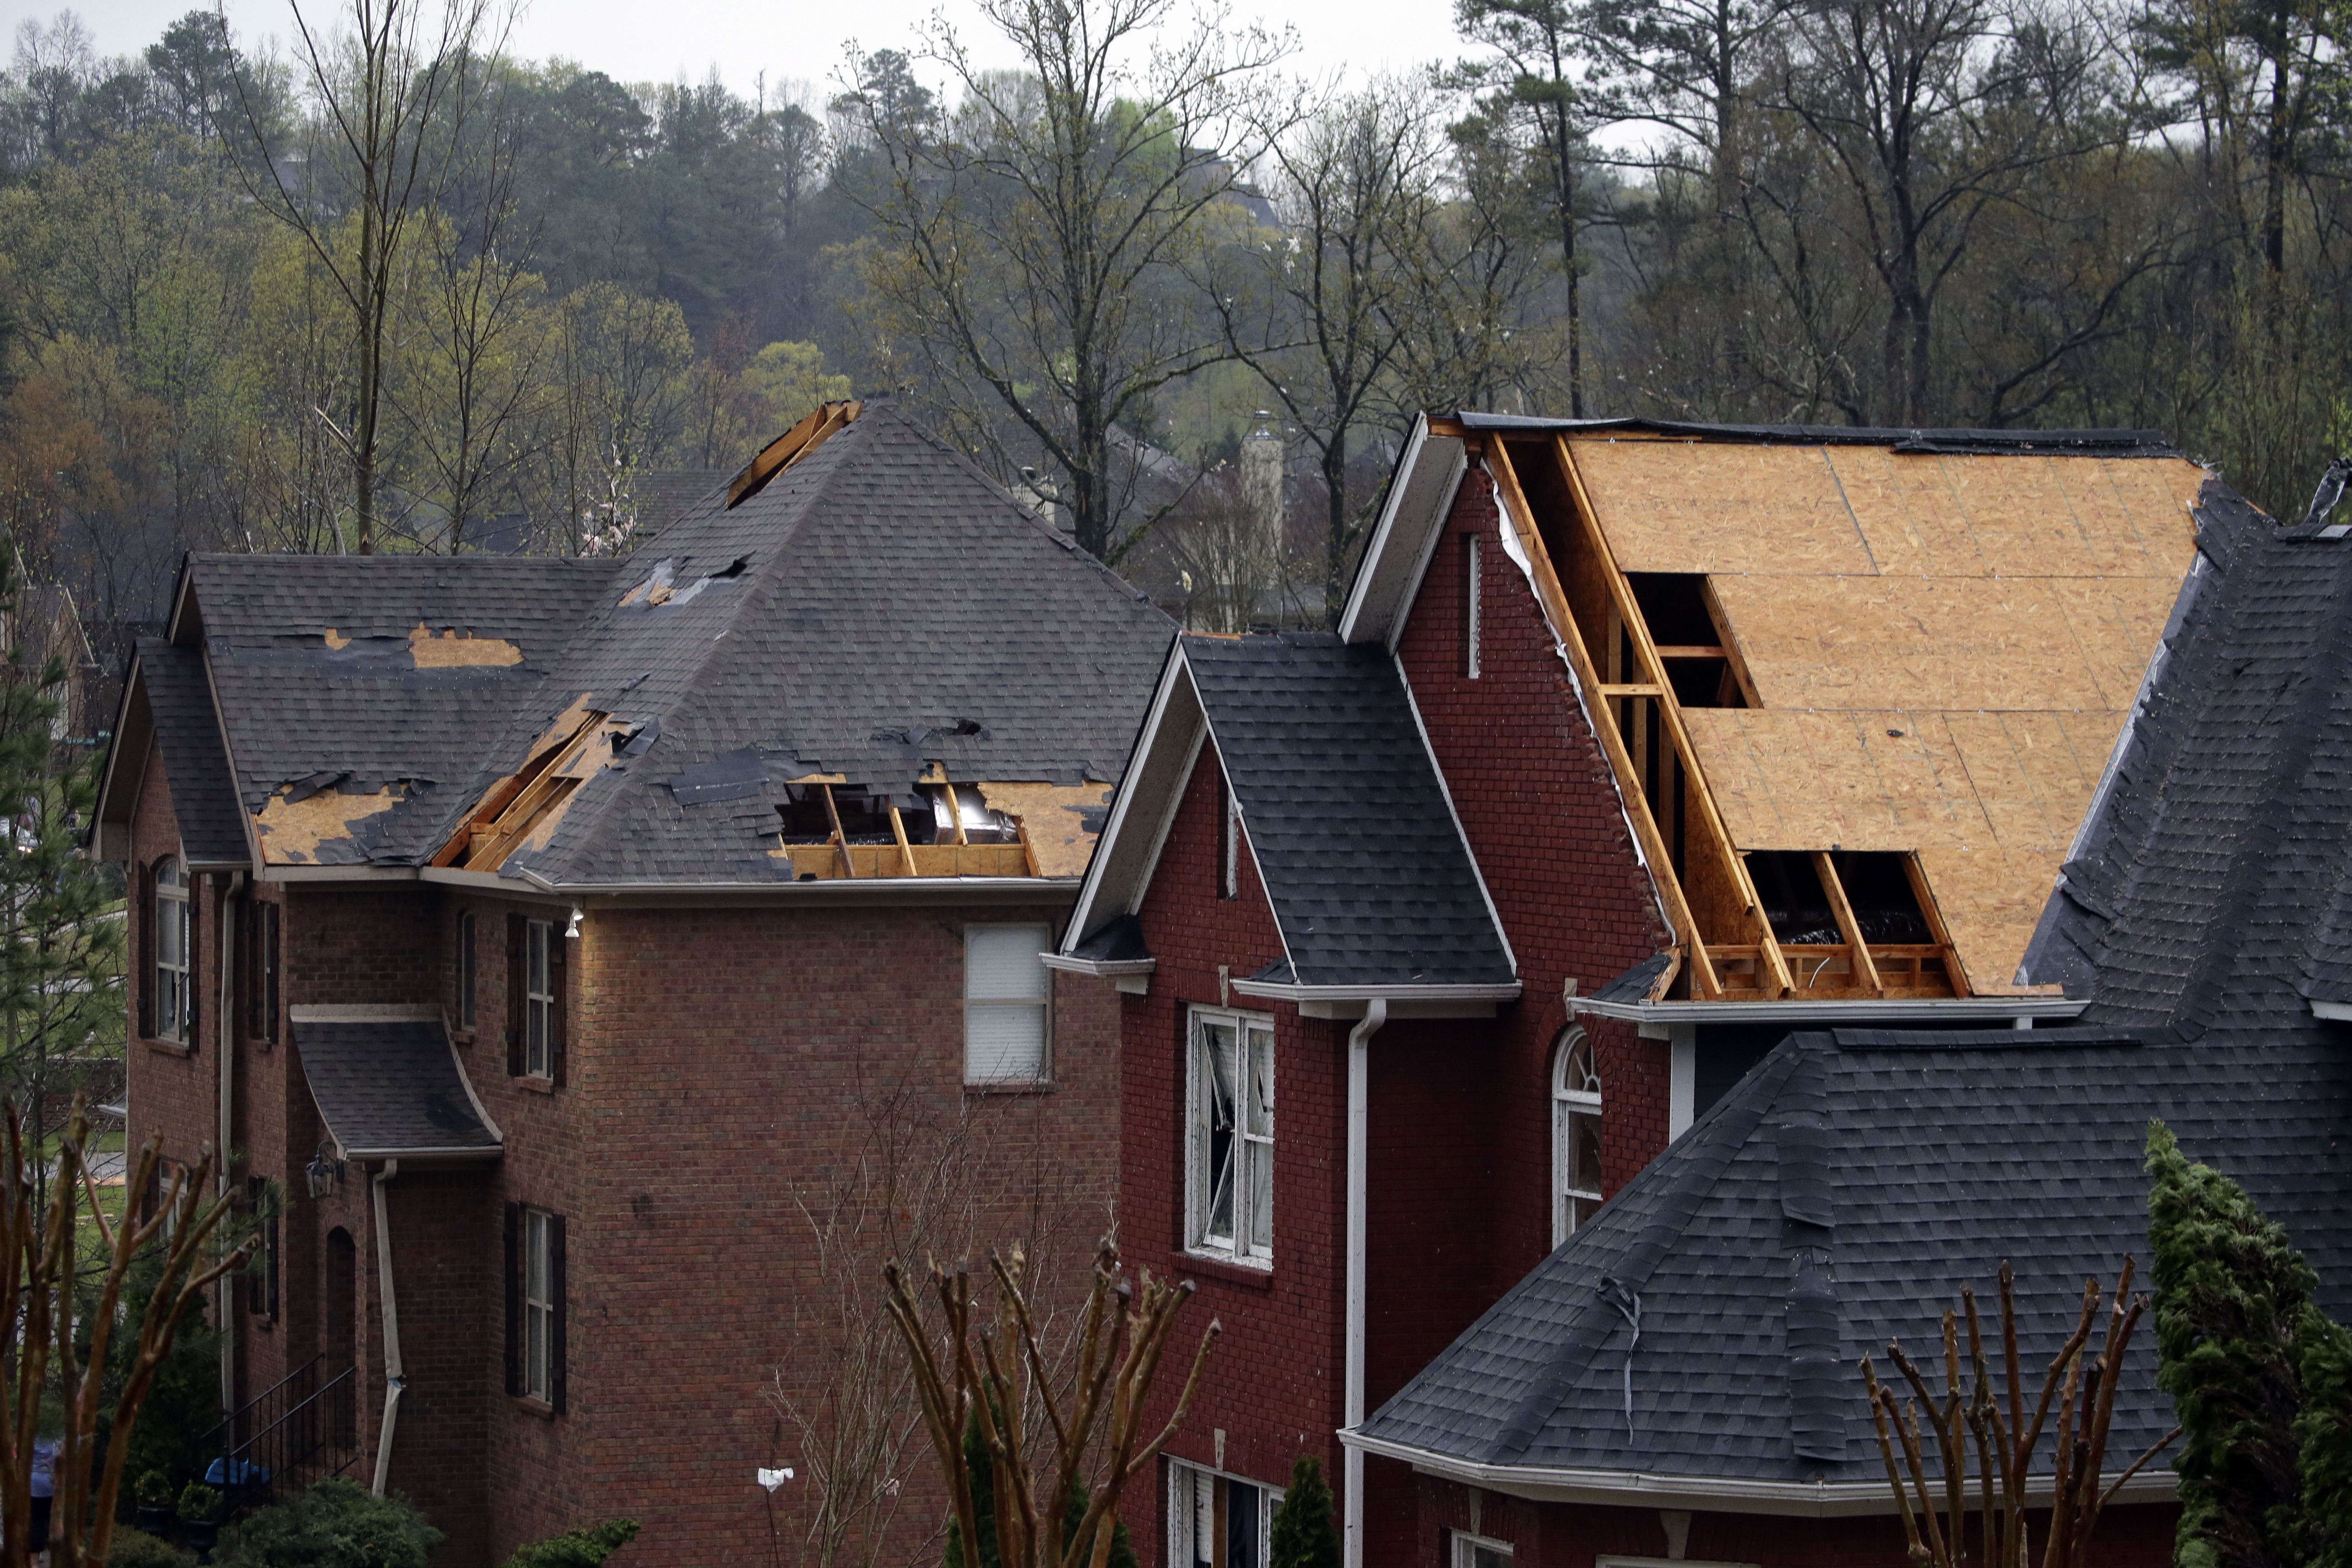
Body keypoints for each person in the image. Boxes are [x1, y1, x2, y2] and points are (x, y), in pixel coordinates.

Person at [29, 1434, 58, 1562]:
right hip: (56, 1482)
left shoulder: (35, 1436)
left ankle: (34, 1560)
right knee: (53, 1521)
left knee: (37, 1521)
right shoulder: (60, 1435)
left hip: (36, 1483)